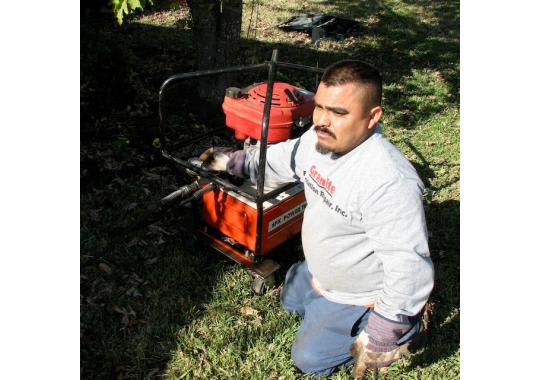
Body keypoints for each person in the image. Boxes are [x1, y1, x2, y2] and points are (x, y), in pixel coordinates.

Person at [203, 60, 434, 377]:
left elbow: (408, 265)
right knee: (291, 300)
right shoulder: (320, 137)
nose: (323, 120)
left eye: (339, 112)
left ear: (372, 117)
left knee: (309, 360)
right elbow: (284, 159)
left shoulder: (389, 182)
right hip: (322, 268)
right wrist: (233, 160)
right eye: (320, 108)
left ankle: (408, 324)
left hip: (360, 292)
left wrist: (384, 331)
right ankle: (323, 298)